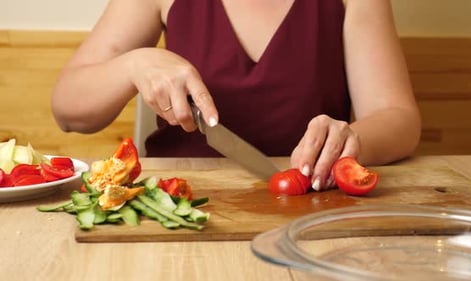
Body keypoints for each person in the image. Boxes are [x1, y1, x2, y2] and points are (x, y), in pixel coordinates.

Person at [51, 0, 421, 191]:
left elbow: (398, 117)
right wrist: (132, 66)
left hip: (313, 204)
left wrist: (353, 140)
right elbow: (68, 109)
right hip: (176, 204)